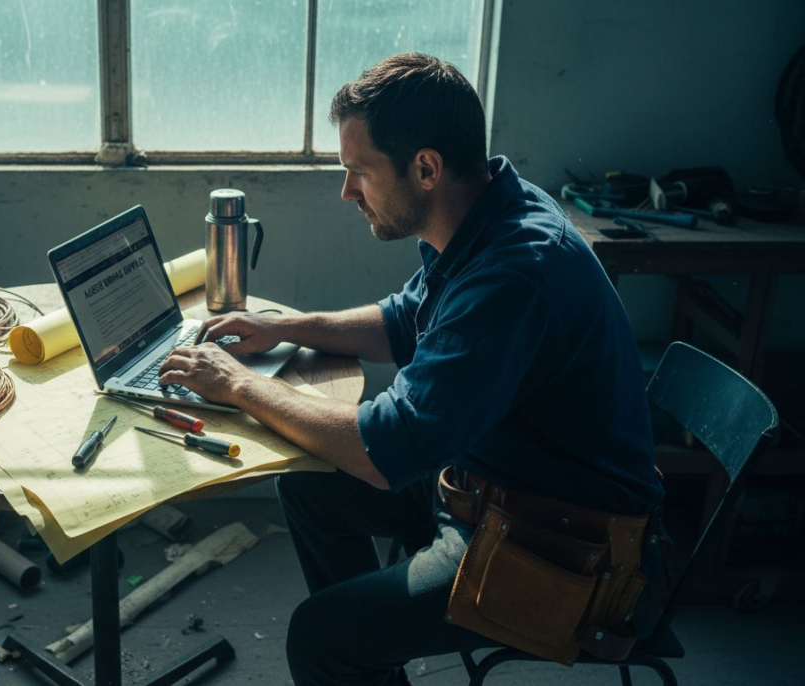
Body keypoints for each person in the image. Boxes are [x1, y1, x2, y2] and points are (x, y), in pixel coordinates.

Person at [158, 53, 665, 685]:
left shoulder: (514, 274)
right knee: (309, 485)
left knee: (321, 634)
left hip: (560, 545)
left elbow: (386, 447)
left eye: (358, 173)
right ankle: (372, 653)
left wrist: (237, 384)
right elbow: (404, 319)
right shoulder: (485, 209)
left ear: (425, 168)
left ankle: (356, 646)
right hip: (490, 487)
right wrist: (287, 326)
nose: (347, 192)